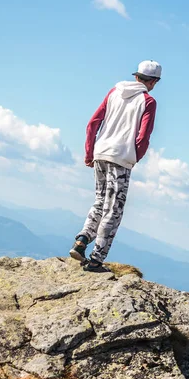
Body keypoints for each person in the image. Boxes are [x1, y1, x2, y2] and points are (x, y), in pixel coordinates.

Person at [69, 60, 161, 272]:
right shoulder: (148, 102)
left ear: (136, 76)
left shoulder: (114, 91)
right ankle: (95, 261)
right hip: (121, 158)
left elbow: (93, 123)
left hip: (101, 152)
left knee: (100, 200)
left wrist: (89, 151)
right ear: (154, 81)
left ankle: (82, 240)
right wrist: (133, 157)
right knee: (114, 210)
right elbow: (143, 136)